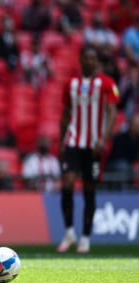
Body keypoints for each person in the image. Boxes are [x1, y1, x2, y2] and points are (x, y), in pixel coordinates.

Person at [57, 46, 119, 254]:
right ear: (81, 60)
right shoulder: (71, 84)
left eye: (93, 58)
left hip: (94, 145)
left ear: (97, 62)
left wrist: (104, 138)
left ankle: (85, 237)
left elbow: (112, 112)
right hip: (74, 142)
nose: (90, 61)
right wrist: (60, 141)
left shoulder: (107, 84)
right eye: (87, 58)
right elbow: (65, 113)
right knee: (67, 183)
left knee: (89, 190)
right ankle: (69, 232)